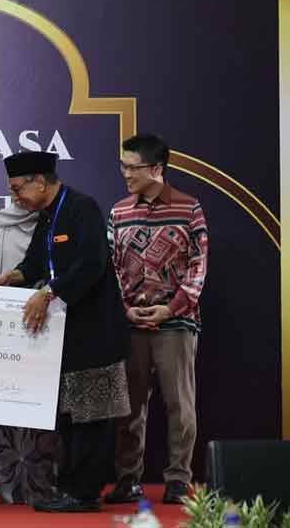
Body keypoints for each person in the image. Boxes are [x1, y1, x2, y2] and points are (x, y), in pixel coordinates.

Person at [0, 151, 129, 513]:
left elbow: (92, 263)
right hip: (66, 333)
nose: (15, 197)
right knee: (69, 415)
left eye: (17, 189)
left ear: (40, 181)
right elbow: (35, 262)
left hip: (96, 331)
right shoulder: (46, 216)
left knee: (92, 414)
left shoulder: (83, 208)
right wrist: (10, 277)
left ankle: (85, 492)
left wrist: (49, 292)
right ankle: (69, 487)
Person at [103, 134, 208, 506]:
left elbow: (198, 267)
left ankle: (179, 479)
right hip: (131, 323)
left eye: (133, 167)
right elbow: (111, 268)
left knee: (180, 405)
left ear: (157, 168)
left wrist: (172, 308)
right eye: (123, 166)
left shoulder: (189, 208)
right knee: (129, 408)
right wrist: (124, 309)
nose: (126, 174)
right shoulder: (118, 212)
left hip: (176, 324)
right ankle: (127, 479)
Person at [0, 200, 59, 505]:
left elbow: (53, 267)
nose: (17, 195)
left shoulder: (50, 222)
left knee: (39, 401)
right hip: (4, 323)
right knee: (5, 397)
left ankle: (41, 482)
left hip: (46, 320)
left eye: (21, 187)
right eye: (13, 189)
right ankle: (8, 480)